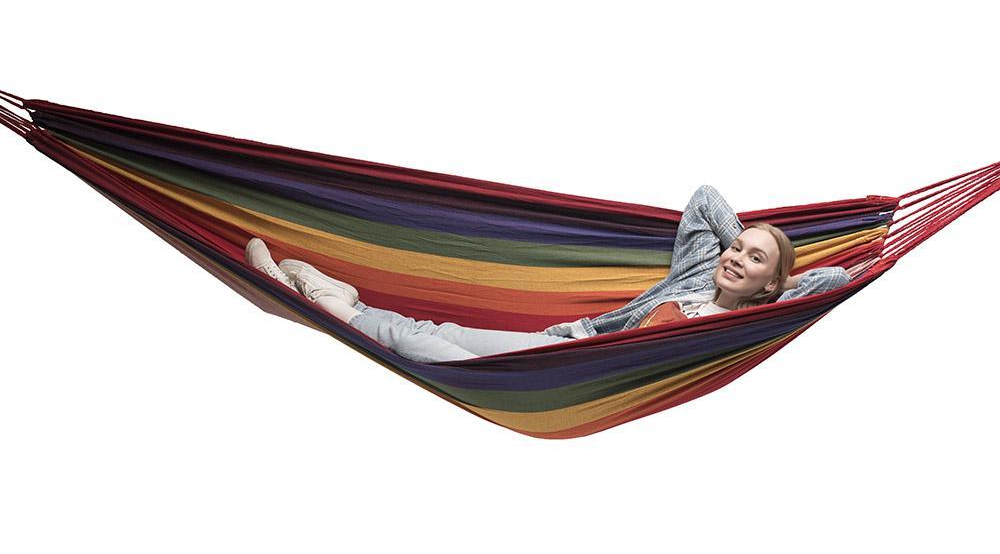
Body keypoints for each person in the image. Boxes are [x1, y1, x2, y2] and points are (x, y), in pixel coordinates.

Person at [245, 185, 851, 363]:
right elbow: (705, 200)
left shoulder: (742, 326)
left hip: (580, 373)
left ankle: (325, 306)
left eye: (753, 259)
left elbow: (834, 281)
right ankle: (331, 300)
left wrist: (787, 282)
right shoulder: (694, 274)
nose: (735, 256)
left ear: (770, 286)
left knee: (434, 354)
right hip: (568, 342)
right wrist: (755, 246)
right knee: (437, 330)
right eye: (736, 246)